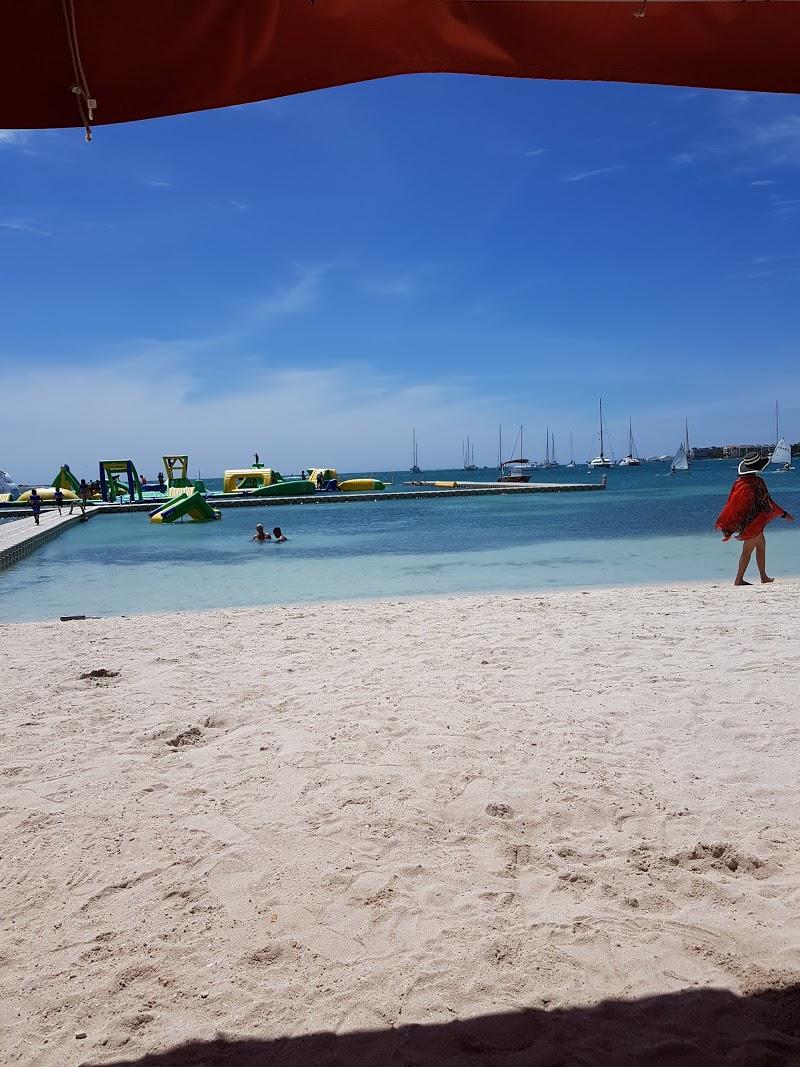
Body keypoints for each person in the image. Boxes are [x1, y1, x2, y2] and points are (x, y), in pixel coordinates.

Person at [716, 452, 793, 586]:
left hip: (746, 521)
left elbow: (733, 503)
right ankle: (739, 580)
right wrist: (784, 514)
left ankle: (763, 577)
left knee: (761, 546)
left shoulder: (739, 483)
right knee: (747, 552)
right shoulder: (758, 482)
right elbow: (768, 502)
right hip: (753, 524)